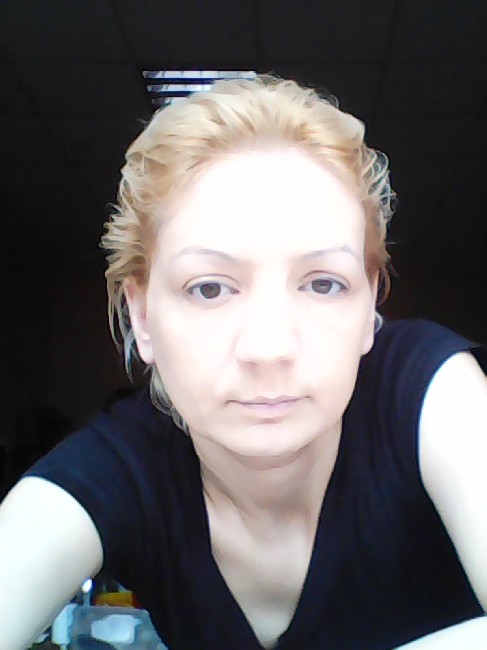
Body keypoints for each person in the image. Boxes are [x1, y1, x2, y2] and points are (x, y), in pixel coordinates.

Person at [0, 75, 486, 650]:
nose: (268, 347)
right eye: (209, 288)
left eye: (323, 283)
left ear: (367, 309)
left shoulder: (432, 396)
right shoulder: (121, 467)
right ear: (143, 317)